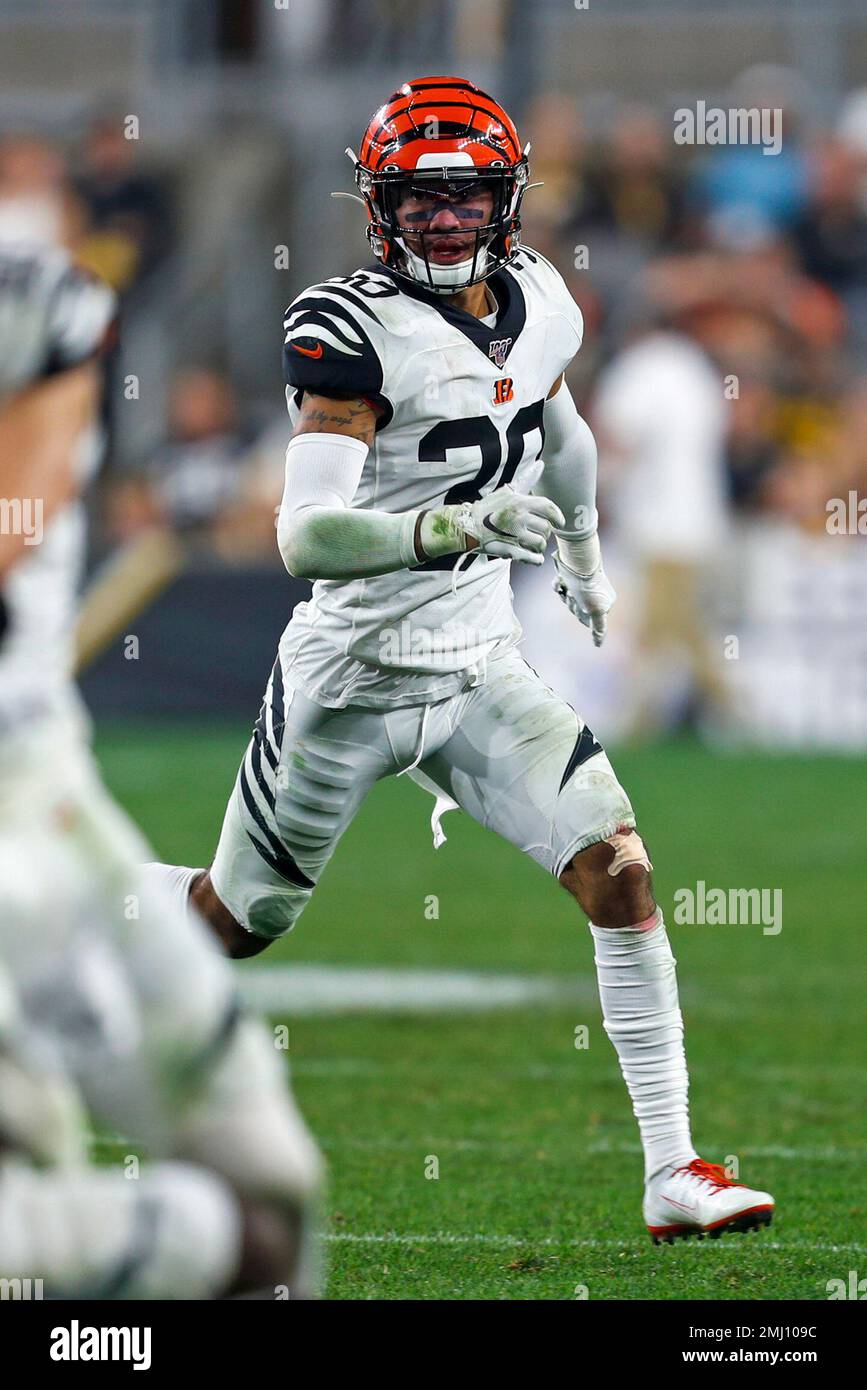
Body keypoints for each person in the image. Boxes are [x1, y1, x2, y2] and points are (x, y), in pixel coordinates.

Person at [146, 76, 774, 1243]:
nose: (443, 217)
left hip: (480, 658)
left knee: (621, 875)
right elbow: (303, 536)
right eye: (420, 198)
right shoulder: (351, 330)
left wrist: (584, 553)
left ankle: (672, 1170)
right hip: (353, 678)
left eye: (466, 193)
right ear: (380, 206)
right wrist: (448, 527)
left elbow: (561, 429)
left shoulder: (539, 298)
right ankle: (65, 913)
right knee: (233, 922)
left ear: (508, 198)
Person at [0, 238, 321, 1298]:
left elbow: (23, 501)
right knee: (219, 1225)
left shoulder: (37, 301)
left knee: (266, 1196)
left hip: (42, 803)